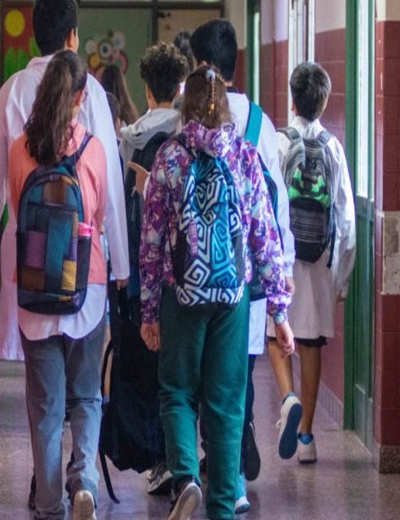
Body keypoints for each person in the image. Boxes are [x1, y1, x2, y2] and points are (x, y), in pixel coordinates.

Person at [0, 0, 130, 517]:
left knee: (44, 402)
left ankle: (47, 500)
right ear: (71, 38)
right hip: (86, 274)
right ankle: (81, 478)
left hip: (32, 272)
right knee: (85, 394)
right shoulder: (95, 113)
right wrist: (122, 267)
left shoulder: (11, 102)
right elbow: (107, 202)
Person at [138, 64, 294, 520]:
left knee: (178, 393)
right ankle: (223, 507)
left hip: (179, 292)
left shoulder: (168, 157)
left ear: (184, 109)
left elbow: (151, 242)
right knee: (227, 404)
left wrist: (149, 311)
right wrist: (279, 314)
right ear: (225, 107)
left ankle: (186, 479)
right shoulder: (245, 157)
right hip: (233, 297)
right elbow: (266, 239)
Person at [189, 18, 295, 512]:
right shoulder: (261, 126)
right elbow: (277, 212)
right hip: (247, 281)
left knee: (200, 378)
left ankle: (218, 462)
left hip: (194, 280)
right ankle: (230, 465)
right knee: (238, 379)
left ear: (199, 67)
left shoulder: (185, 123)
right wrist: (281, 285)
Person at [270, 61, 356, 465]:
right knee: (311, 343)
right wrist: (343, 279)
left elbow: (266, 204)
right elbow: (347, 217)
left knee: (275, 336)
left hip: (284, 260)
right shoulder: (334, 148)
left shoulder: (279, 143)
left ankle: (288, 398)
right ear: (324, 103)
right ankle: (307, 436)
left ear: (292, 99)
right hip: (321, 260)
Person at [117, 41, 188, 496]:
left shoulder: (130, 139)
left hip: (142, 271)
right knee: (180, 372)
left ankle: (157, 457)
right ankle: (183, 458)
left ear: (145, 90)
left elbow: (121, 208)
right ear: (179, 88)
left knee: (148, 368)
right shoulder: (188, 135)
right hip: (184, 272)